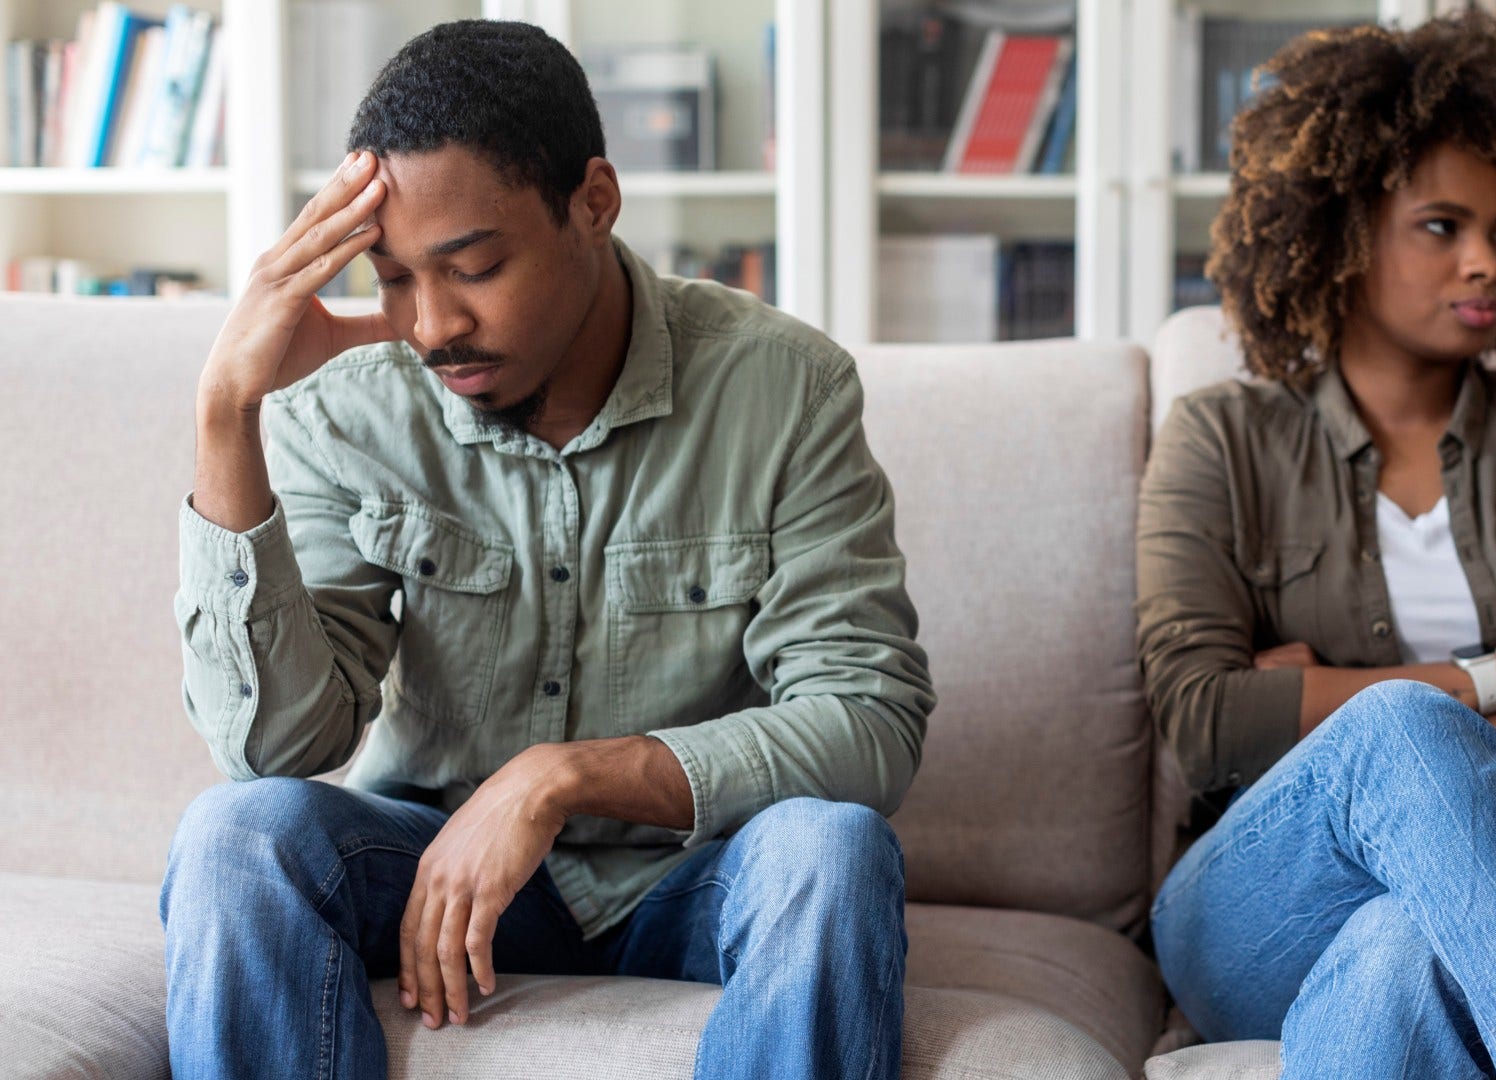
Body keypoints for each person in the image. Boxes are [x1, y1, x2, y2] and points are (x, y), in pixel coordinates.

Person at [161, 20, 934, 1080]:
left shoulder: (784, 389)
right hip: (428, 873)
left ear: (594, 203)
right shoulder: (347, 409)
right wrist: (227, 413)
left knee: (834, 852)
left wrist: (559, 778)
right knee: (235, 836)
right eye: (391, 279)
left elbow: (868, 722)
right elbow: (272, 750)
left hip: (689, 876)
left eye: (472, 268)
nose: (432, 327)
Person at [1136, 13, 1496, 1079]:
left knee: (1410, 941)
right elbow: (1209, 714)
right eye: (1441, 226)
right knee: (1403, 729)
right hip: (1268, 888)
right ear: (1343, 228)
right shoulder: (1221, 439)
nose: (1483, 263)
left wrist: (1351, 717)